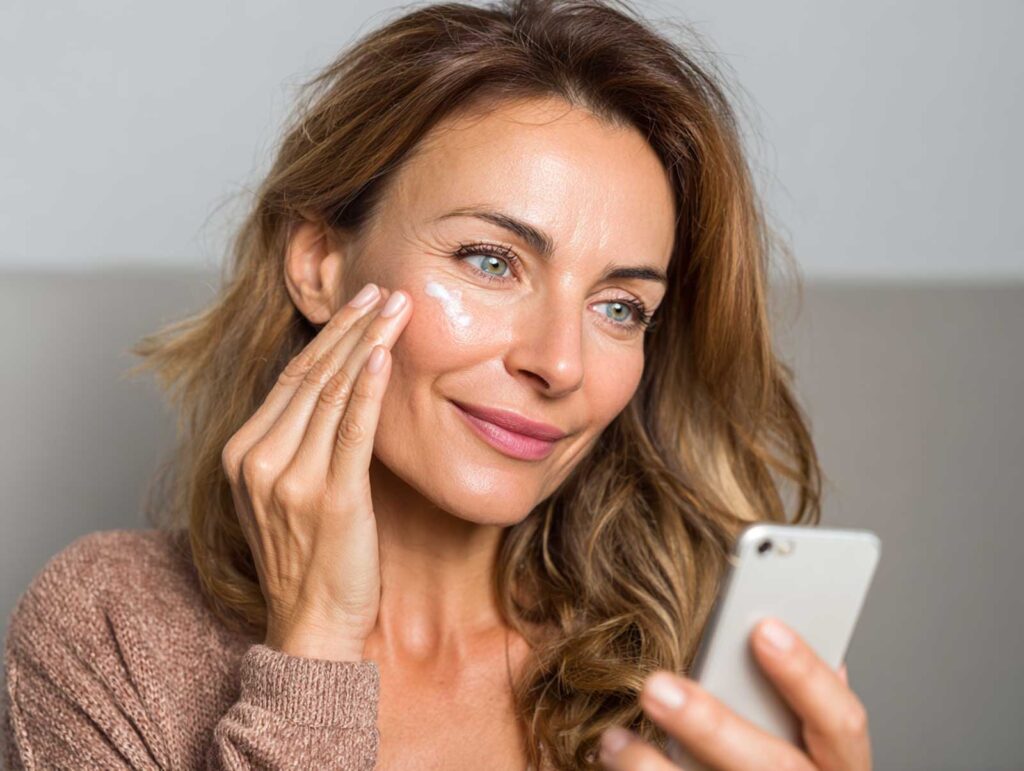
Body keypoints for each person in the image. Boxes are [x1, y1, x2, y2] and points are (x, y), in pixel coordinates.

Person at [2, 0, 872, 768]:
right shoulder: (114, 628)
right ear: (319, 265)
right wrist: (314, 660)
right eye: (491, 260)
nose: (559, 363)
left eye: (620, 306)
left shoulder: (691, 667)